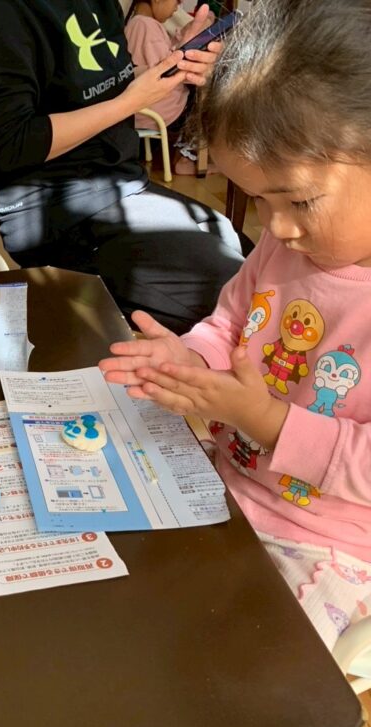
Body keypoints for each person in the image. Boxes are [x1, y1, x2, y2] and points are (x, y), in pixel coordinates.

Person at [100, 0, 371, 650]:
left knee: (245, 661)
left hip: (326, 543)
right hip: (225, 483)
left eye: (298, 200)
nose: (274, 228)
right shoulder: (285, 245)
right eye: (259, 200)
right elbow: (230, 324)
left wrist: (268, 421)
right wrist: (193, 360)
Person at [0, 0, 244, 334]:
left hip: (125, 185)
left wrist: (173, 64)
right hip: (57, 214)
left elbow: (100, 91)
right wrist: (131, 102)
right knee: (242, 300)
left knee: (254, 265)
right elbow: (10, 145)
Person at [125, 0, 209, 175]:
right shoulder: (146, 26)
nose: (177, 6)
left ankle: (187, 155)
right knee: (205, 97)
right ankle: (187, 158)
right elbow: (167, 70)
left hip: (142, 109)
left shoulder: (136, 24)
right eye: (176, 1)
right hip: (156, 109)